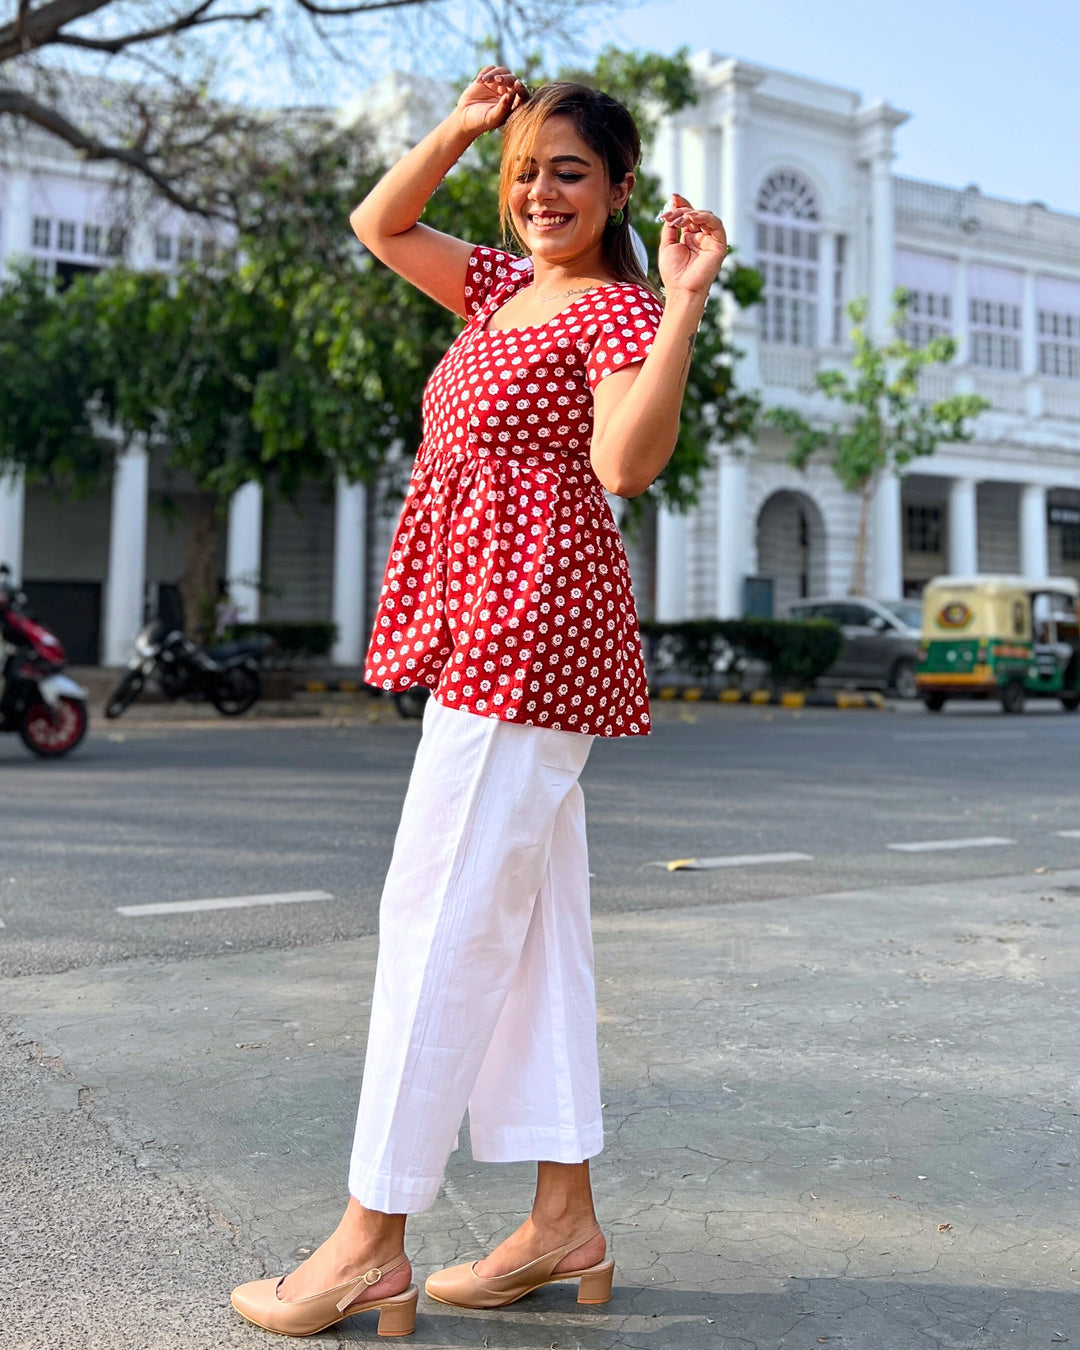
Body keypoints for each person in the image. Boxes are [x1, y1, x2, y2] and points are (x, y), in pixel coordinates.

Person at [230, 67, 728, 1339]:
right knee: (530, 930)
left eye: (569, 170)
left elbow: (625, 462)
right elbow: (380, 225)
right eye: (523, 173)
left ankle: (369, 1240)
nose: (539, 192)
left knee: (437, 911)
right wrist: (459, 130)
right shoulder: (504, 290)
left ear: (620, 187)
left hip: (532, 637)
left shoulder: (615, 313)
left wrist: (680, 307)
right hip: (485, 634)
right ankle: (564, 1219)